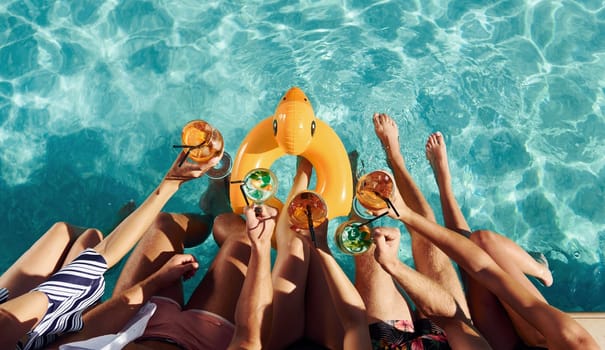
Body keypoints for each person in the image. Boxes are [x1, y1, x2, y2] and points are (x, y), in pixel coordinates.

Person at [371, 132, 599, 350]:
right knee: (480, 245)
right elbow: (485, 269)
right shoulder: (572, 339)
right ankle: (443, 184)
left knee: (461, 317)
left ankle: (424, 177)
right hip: (535, 338)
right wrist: (404, 214)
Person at [0, 149, 220, 350]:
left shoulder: (9, 320)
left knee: (65, 233)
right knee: (89, 241)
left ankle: (111, 229)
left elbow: (101, 256)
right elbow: (87, 329)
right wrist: (155, 281)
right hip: (32, 334)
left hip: (20, 324)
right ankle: (214, 211)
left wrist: (169, 185)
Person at [424, 130, 570, 349]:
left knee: (470, 266)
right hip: (542, 341)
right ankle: (542, 271)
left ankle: (443, 184)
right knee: (482, 241)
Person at [353, 113, 477, 349]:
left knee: (366, 249)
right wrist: (396, 267)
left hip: (392, 345)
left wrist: (392, 265)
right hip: (447, 340)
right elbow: (453, 320)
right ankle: (395, 158)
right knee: (428, 236)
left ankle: (354, 181)